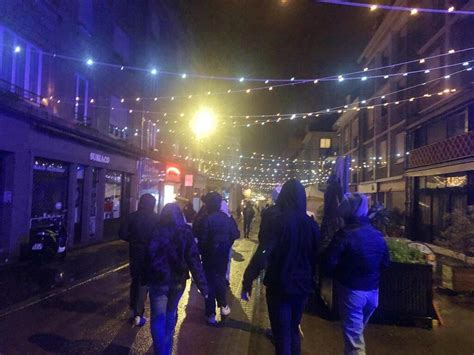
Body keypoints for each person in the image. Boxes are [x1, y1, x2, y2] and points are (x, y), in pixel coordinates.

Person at [242, 179, 320, 355]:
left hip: (280, 285)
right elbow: (317, 256)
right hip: (302, 287)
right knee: (293, 330)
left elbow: (263, 253)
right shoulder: (312, 225)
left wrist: (248, 279)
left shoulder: (279, 222)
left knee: (282, 334)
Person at [324, 193, 390, 355]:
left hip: (351, 290)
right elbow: (386, 262)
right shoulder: (376, 234)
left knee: (355, 342)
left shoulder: (345, 234)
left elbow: (329, 262)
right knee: (356, 333)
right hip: (373, 292)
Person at [147, 203, 208, 355]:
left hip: (158, 279)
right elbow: (194, 260)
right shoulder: (185, 232)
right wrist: (203, 286)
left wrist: (143, 278)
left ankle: (161, 352)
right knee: (170, 314)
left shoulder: (155, 230)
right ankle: (166, 350)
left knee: (157, 318)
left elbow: (147, 256)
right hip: (177, 281)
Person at [195, 192, 240, 324]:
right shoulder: (226, 218)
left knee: (209, 283)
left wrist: (202, 250)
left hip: (208, 256)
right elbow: (235, 233)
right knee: (220, 279)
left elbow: (202, 239)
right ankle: (223, 306)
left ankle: (210, 313)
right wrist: (226, 243)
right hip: (222, 255)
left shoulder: (206, 219)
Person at [119, 194, 159, 326]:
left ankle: (134, 309)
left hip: (135, 252)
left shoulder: (132, 216)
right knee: (146, 282)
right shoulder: (157, 218)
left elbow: (122, 233)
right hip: (151, 253)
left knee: (135, 280)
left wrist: (134, 240)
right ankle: (139, 312)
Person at [220, 200, 239, 282]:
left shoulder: (211, 216)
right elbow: (236, 233)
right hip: (227, 245)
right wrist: (230, 241)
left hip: (214, 246)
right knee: (227, 262)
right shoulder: (229, 219)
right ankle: (226, 277)